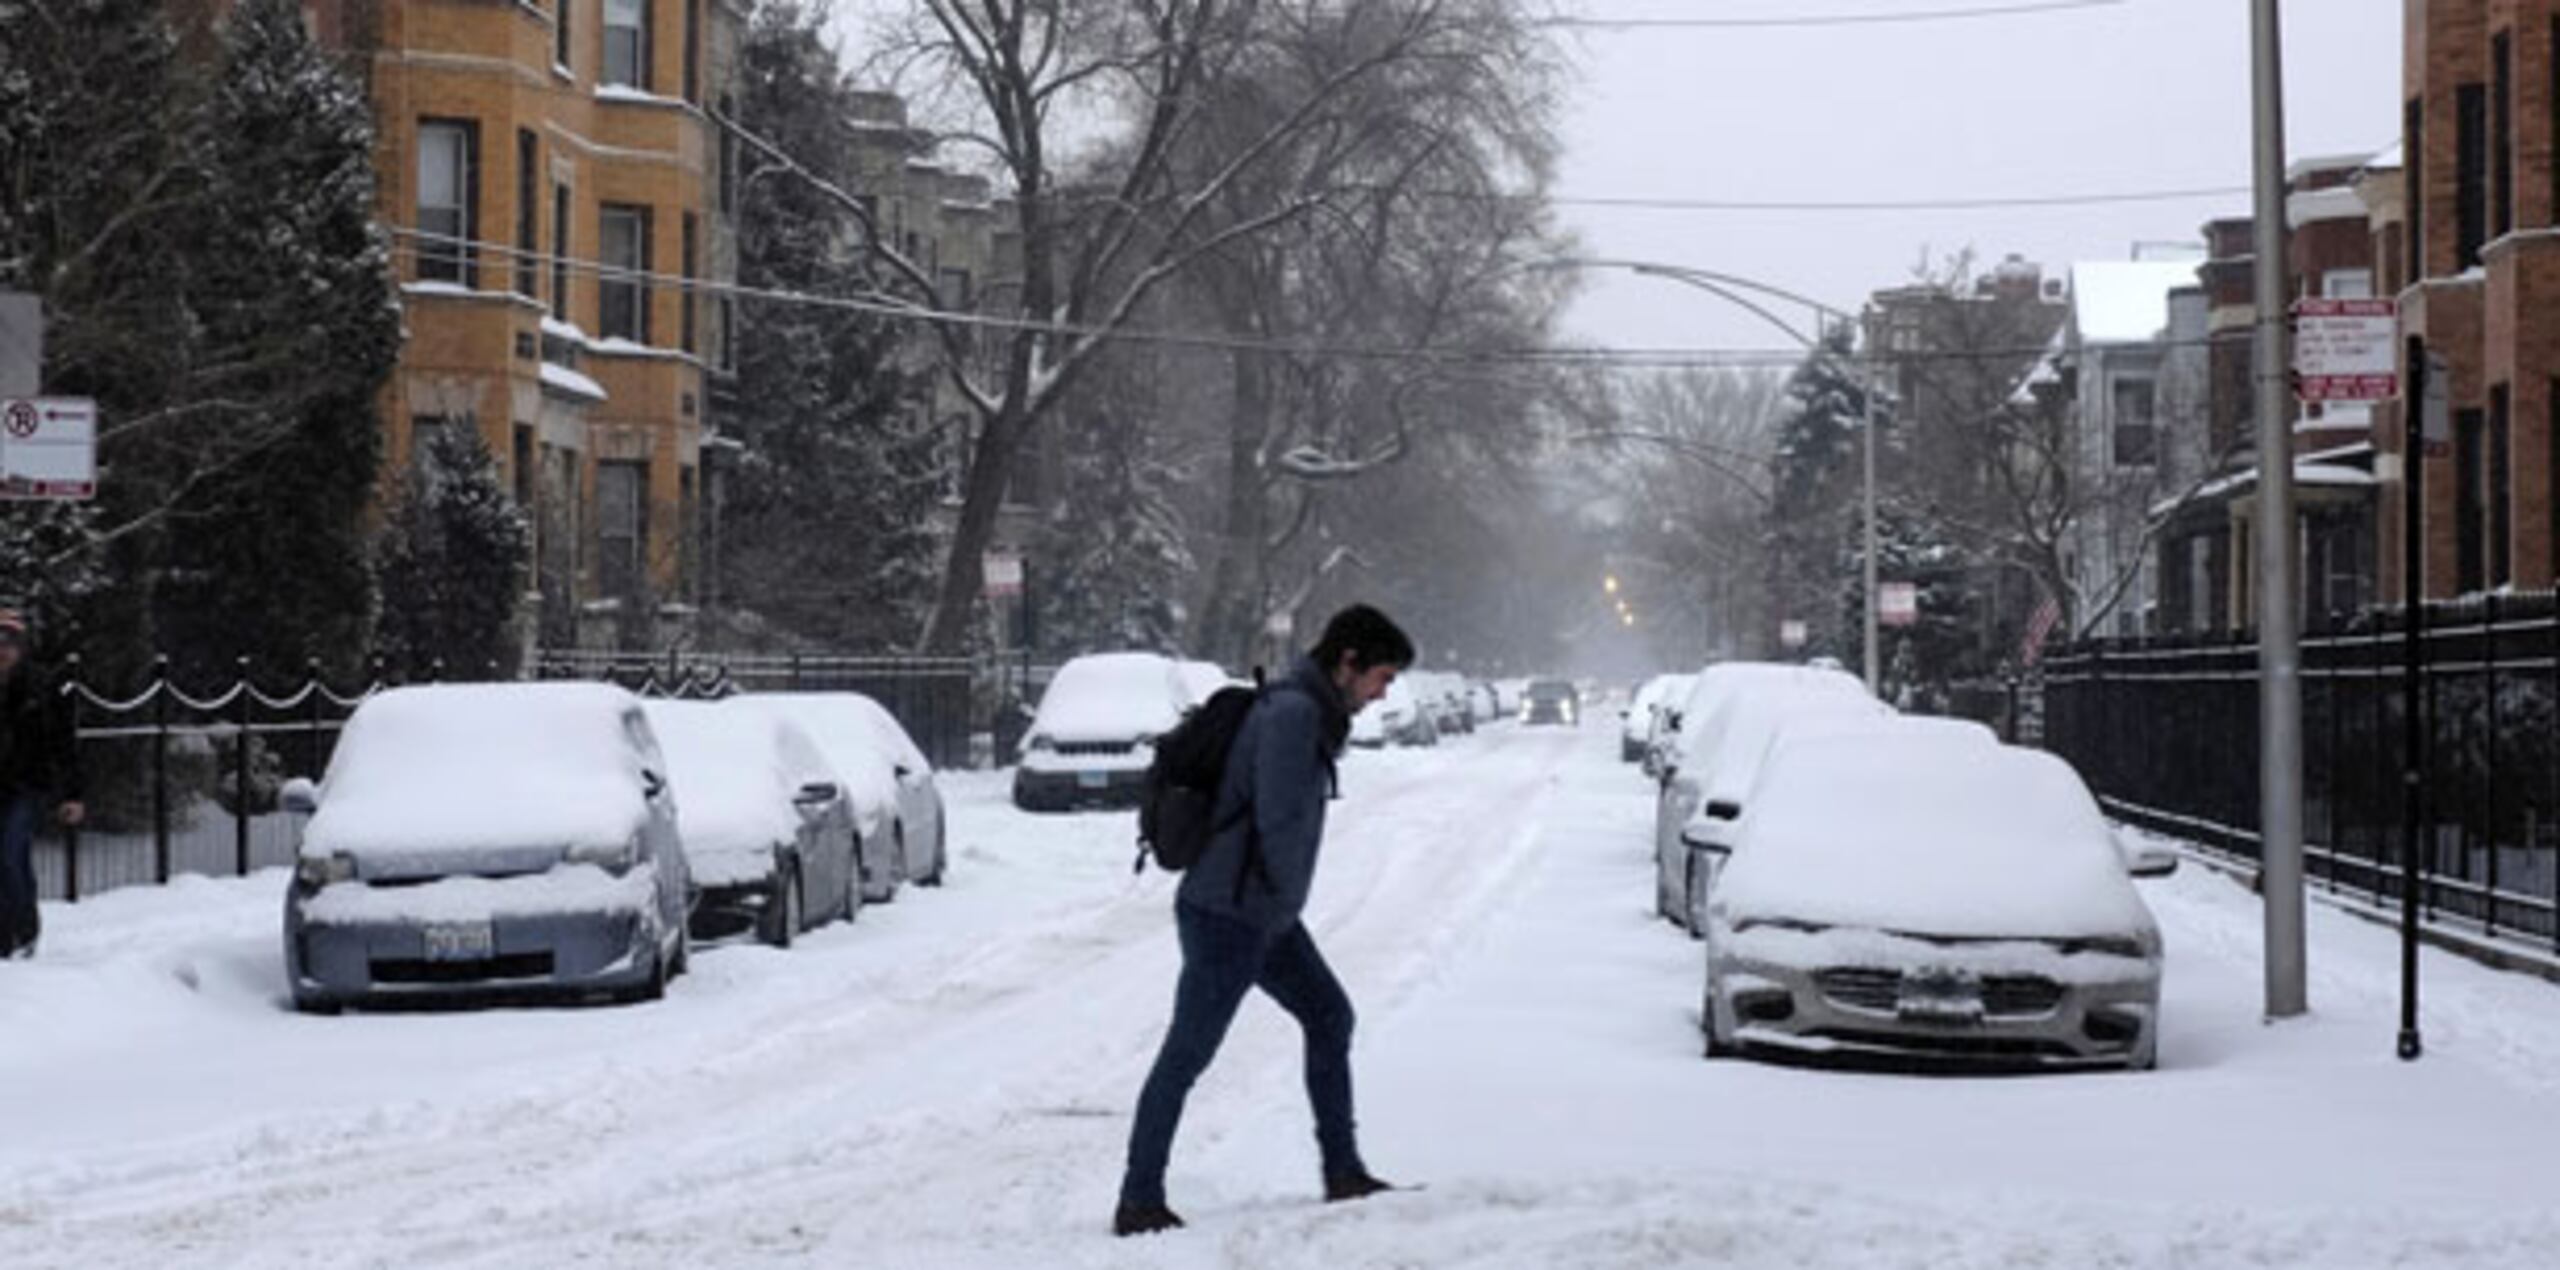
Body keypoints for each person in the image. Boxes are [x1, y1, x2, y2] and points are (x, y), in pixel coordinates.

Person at [1115, 604, 1416, 1237]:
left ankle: (1343, 1170)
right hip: (1229, 912)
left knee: (1330, 1016)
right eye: (1380, 677)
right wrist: (1282, 890)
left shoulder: (1307, 709)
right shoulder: (1294, 714)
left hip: (1260, 911)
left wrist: (1279, 904)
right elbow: (1278, 816)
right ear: (1348, 662)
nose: (1382, 693)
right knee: (1187, 1053)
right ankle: (1138, 1199)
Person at [0, 610, 84, 959]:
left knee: (8, 850)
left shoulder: (40, 687)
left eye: (9, 642)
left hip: (27, 785)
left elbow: (64, 742)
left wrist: (73, 793)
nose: (2, 650)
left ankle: (21, 934)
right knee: (9, 858)